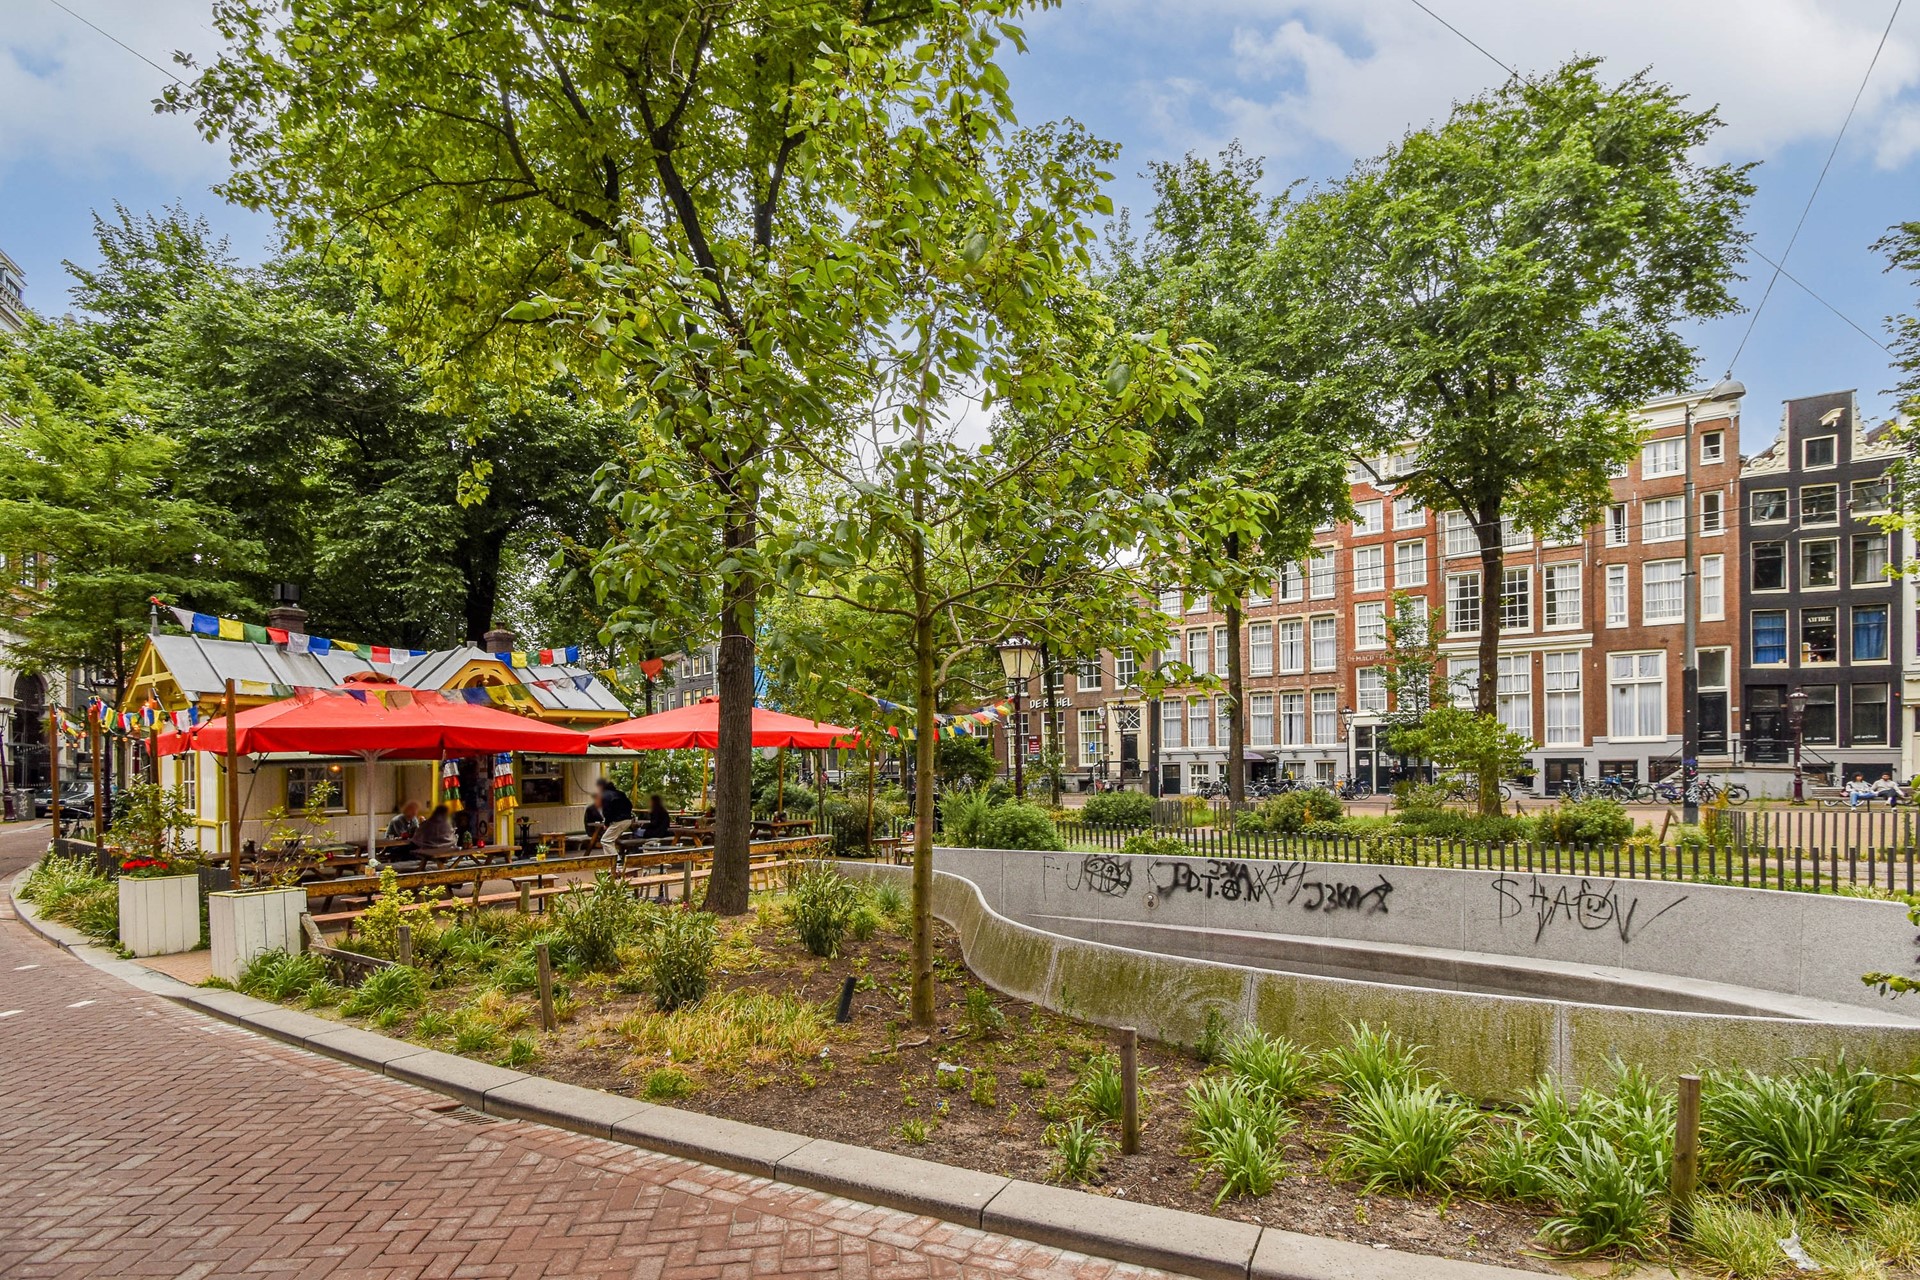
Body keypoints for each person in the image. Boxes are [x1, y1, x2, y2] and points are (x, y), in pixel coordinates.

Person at [596, 778, 635, 854]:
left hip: (618, 821)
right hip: (628, 820)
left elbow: (607, 811)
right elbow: (630, 805)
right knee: (611, 840)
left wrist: (606, 824)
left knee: (605, 841)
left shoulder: (605, 796)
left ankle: (615, 859)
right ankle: (611, 858)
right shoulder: (621, 794)